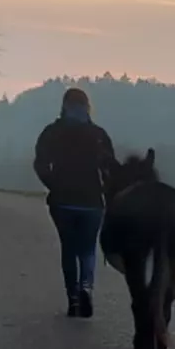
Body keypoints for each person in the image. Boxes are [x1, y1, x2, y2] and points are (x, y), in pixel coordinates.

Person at [33, 86, 117, 318]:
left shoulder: (51, 132)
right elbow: (110, 168)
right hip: (92, 201)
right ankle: (86, 287)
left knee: (69, 249)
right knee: (88, 249)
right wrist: (105, 191)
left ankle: (73, 299)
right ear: (87, 107)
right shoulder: (99, 135)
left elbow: (40, 164)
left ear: (64, 106)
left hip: (62, 201)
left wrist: (53, 184)